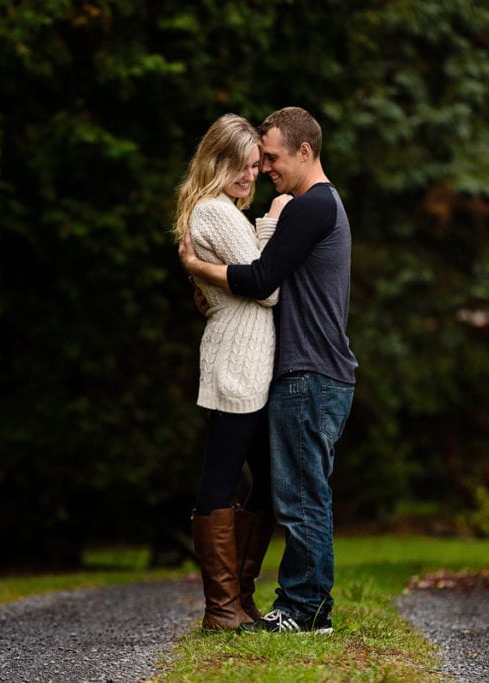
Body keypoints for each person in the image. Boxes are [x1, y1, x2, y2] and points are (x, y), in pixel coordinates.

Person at [179, 106, 358, 634]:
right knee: (299, 492)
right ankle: (293, 607)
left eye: (271, 159)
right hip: (302, 369)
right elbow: (259, 276)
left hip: (309, 371)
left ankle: (301, 609)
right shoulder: (316, 205)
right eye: (257, 162)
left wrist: (198, 268)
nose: (265, 170)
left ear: (306, 151)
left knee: (302, 497)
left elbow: (260, 280)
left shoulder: (309, 207)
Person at [174, 113, 291, 631]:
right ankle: (223, 608)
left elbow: (252, 279)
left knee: (263, 481)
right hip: (236, 363)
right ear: (216, 162)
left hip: (248, 361)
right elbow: (267, 287)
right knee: (221, 481)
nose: (250, 177)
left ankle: (238, 601)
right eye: (241, 167)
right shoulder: (215, 213)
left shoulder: (223, 212)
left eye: (254, 166)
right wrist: (271, 223)